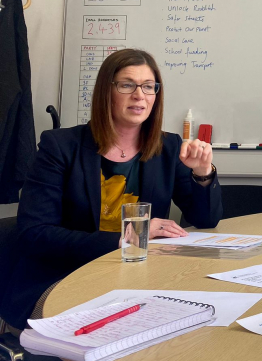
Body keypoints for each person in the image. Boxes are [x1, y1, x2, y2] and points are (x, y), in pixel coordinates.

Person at [0, 49, 222, 331]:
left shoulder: (167, 147)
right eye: (127, 85)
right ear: (107, 91)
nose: (139, 95)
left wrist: (202, 173)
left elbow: (206, 219)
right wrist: (128, 238)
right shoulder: (60, 146)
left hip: (139, 278)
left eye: (148, 86)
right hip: (62, 276)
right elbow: (35, 233)